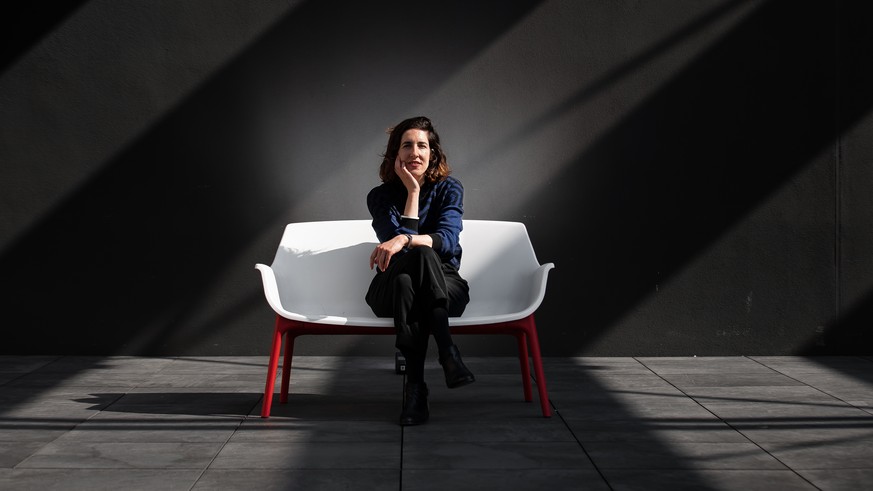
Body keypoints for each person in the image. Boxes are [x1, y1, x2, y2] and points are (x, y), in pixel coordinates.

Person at [365, 116, 475, 426]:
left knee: (408, 281)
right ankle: (448, 352)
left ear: (433, 154)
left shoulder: (449, 189)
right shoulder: (380, 197)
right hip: (384, 290)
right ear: (395, 155)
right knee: (409, 267)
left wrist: (405, 237)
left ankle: (415, 391)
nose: (415, 152)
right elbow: (403, 251)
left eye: (422, 145)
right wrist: (412, 193)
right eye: (407, 146)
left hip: (445, 285)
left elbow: (448, 238)